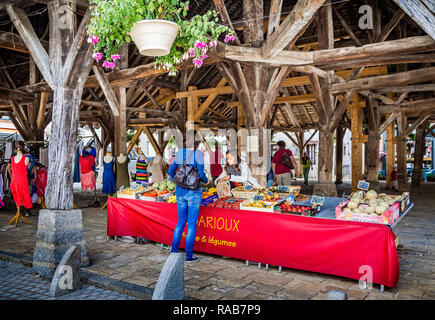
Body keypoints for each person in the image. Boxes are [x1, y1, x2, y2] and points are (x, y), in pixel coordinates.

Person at [168, 130, 208, 263]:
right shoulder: (198, 154)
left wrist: (179, 181)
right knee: (191, 224)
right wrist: (206, 181)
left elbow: (170, 171)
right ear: (197, 140)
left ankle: (174, 250)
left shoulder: (179, 153)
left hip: (180, 192)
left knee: (180, 222)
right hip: (193, 193)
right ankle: (189, 256)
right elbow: (201, 174)